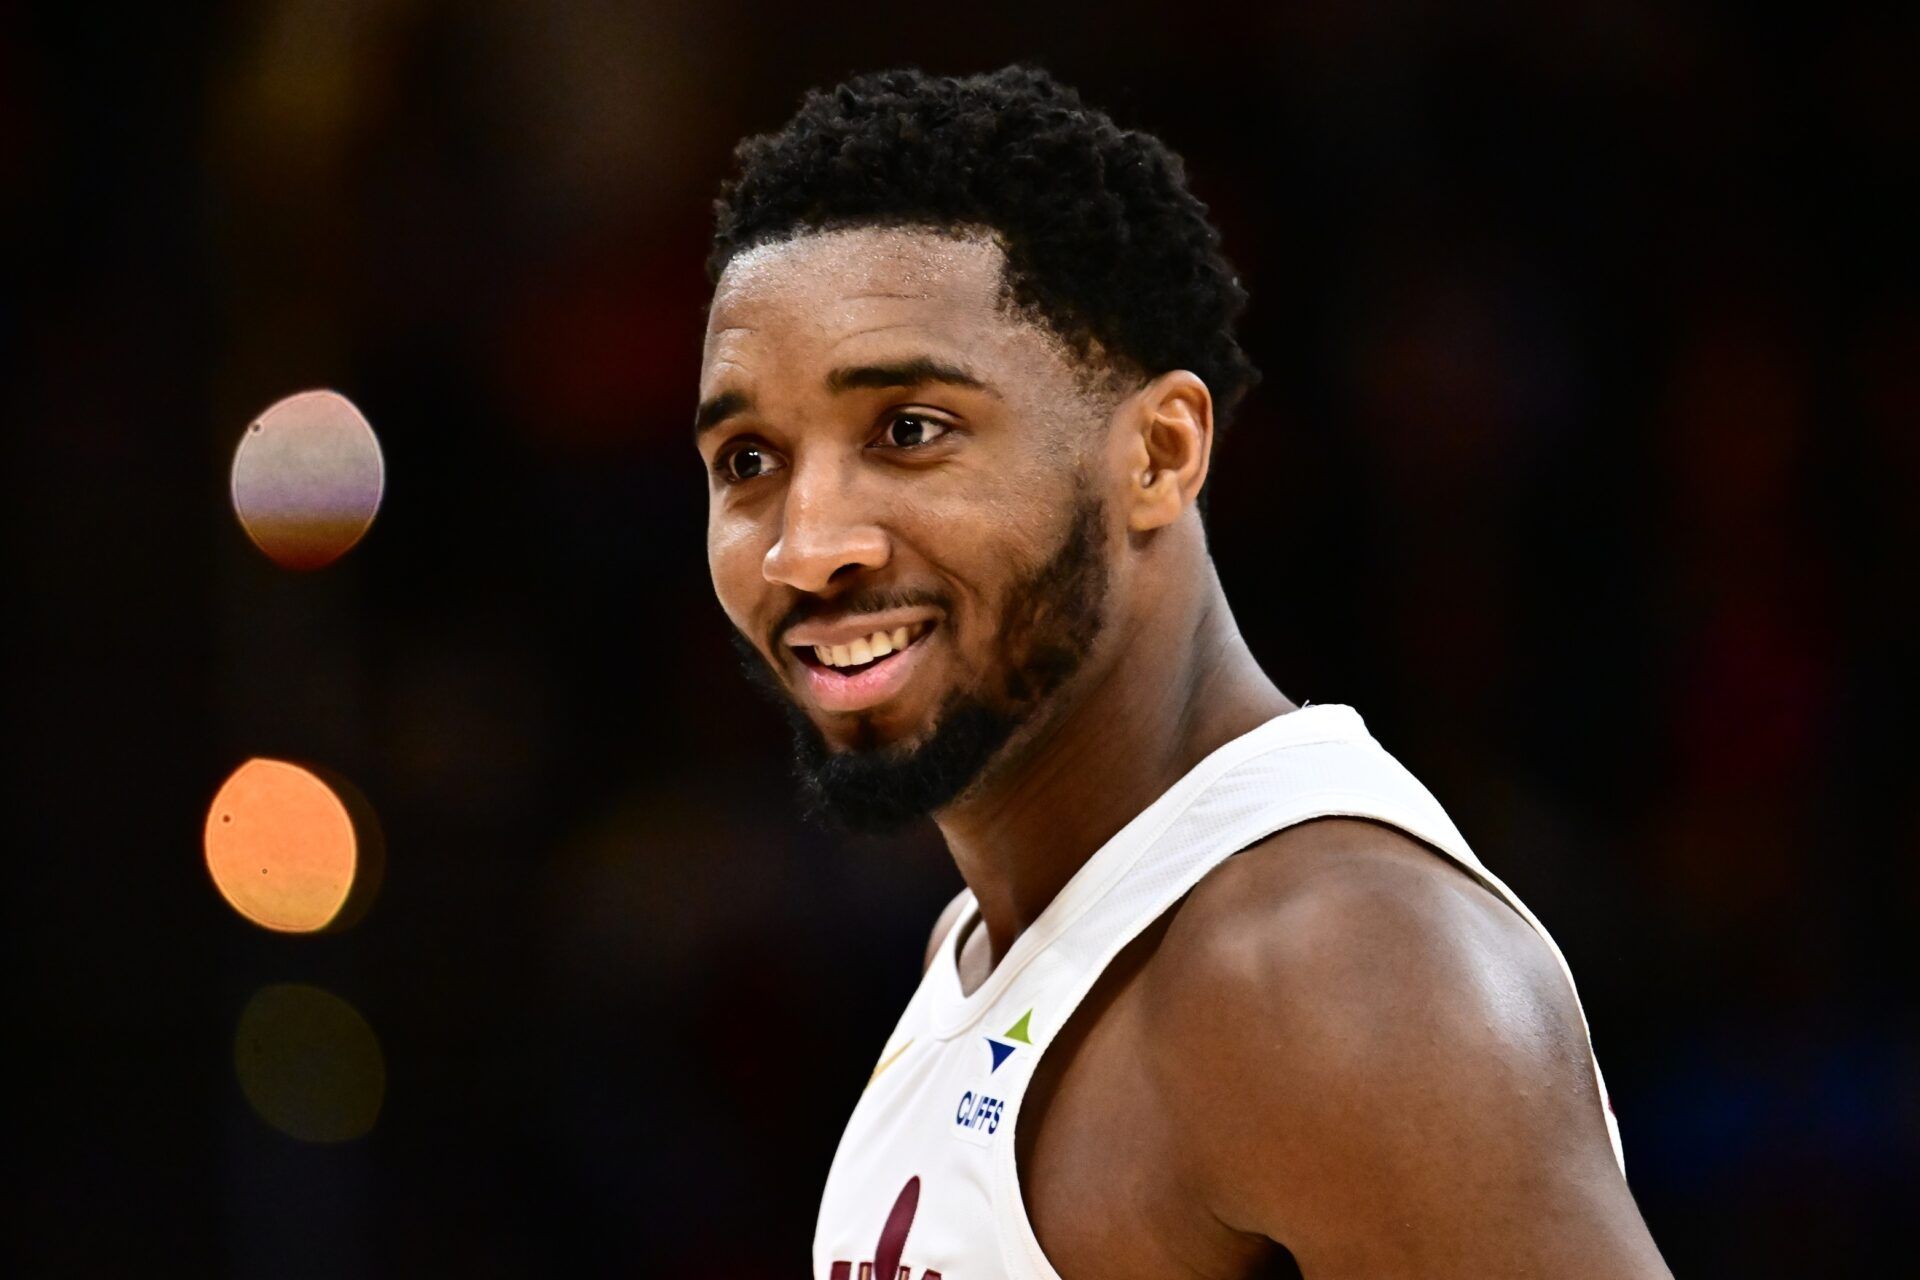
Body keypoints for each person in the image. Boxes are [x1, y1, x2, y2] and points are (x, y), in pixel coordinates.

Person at [694, 65, 1671, 1280]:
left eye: (910, 430)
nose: (805, 545)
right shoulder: (994, 936)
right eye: (749, 459)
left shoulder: (1326, 961)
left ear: (1158, 454)